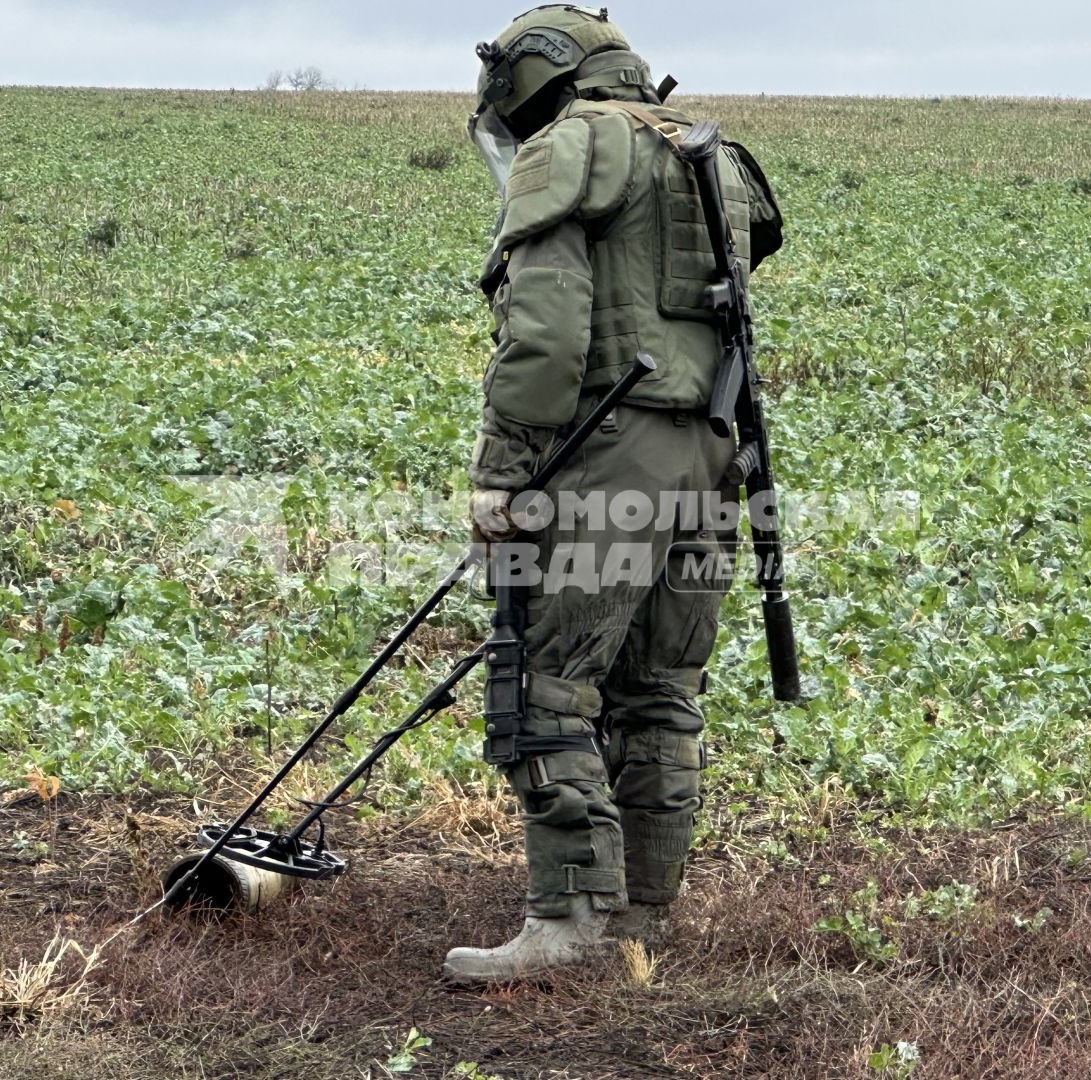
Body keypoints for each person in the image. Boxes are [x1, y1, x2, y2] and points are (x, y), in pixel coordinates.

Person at [444, 4, 784, 983]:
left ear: (536, 76)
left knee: (546, 680)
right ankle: (643, 916)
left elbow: (545, 337)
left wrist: (503, 477)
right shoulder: (712, 154)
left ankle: (566, 921)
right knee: (661, 692)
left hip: (613, 449)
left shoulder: (569, 147)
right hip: (717, 453)